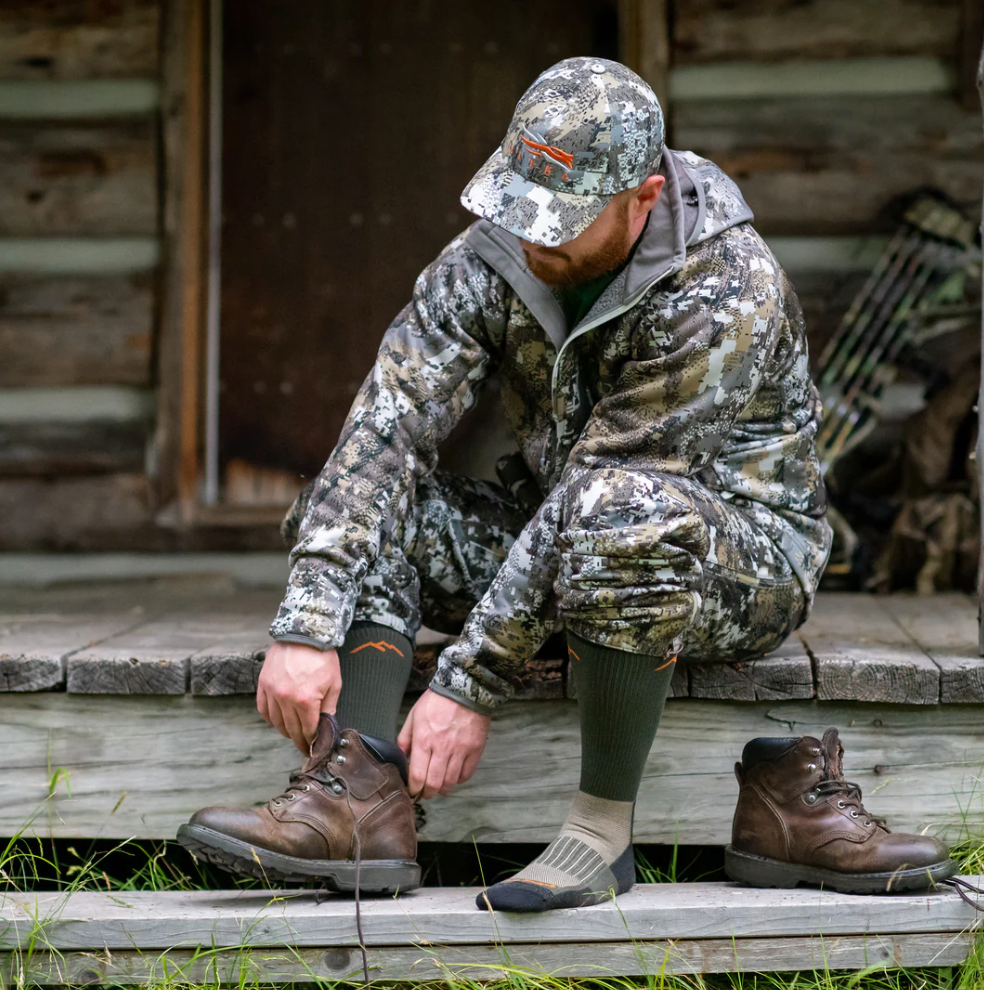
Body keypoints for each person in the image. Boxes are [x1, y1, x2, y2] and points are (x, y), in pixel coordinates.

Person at [179, 56, 838, 909]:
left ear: (642, 198)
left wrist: (466, 684)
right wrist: (307, 624)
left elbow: (603, 486)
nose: (532, 233)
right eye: (523, 204)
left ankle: (602, 834)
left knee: (616, 507)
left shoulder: (724, 285)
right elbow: (386, 430)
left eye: (562, 218)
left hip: (735, 562)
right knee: (361, 505)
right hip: (564, 537)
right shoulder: (495, 253)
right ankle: (358, 802)